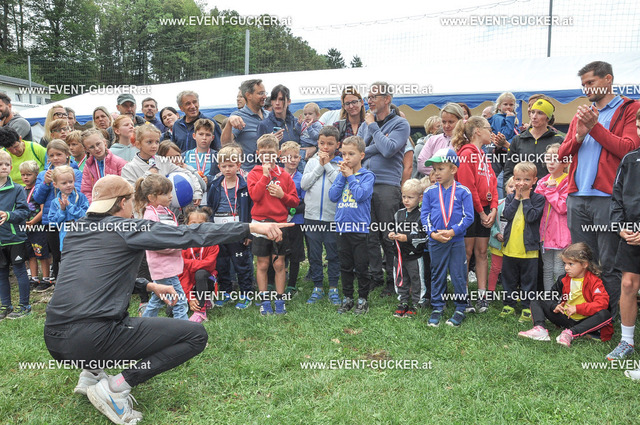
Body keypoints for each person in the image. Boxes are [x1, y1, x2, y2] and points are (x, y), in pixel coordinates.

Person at [43, 174, 289, 424]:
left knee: (101, 321)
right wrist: (250, 227)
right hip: (91, 337)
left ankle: (91, 374)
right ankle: (116, 388)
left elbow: (90, 277)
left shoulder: (77, 230)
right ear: (123, 203)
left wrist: (148, 285)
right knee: (195, 335)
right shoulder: (127, 228)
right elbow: (187, 233)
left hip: (55, 339)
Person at [558, 60, 640, 319]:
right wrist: (579, 135)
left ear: (608, 79)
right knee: (582, 262)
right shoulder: (583, 113)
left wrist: (595, 127)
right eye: (583, 84)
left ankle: (610, 318)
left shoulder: (630, 108)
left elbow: (629, 149)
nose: (587, 89)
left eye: (591, 82)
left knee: (608, 263)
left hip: (608, 199)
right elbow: (562, 155)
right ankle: (588, 315)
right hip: (577, 197)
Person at [357, 82, 410, 297]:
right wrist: (379, 142)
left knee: (389, 235)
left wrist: (374, 129)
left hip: (387, 185)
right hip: (364, 184)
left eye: (373, 97)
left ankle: (392, 279)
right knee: (369, 235)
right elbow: (358, 151)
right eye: (368, 97)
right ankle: (375, 276)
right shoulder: (365, 125)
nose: (369, 101)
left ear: (387, 99)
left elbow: (388, 150)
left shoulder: (400, 124)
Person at [519, 243, 613, 346]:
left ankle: (570, 333)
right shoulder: (563, 279)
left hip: (586, 321)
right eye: (565, 263)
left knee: (605, 314)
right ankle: (540, 329)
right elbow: (550, 297)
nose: (566, 268)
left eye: (571, 264)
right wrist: (554, 306)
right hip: (567, 318)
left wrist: (577, 308)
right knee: (537, 300)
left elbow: (602, 303)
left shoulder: (594, 281)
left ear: (584, 264)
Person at [247, 134, 298, 315]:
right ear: (258, 154)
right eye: (263, 153)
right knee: (262, 264)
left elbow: (295, 202)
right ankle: (264, 300)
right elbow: (255, 196)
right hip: (260, 225)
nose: (267, 156)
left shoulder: (284, 175)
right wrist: (264, 176)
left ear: (278, 154)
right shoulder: (254, 173)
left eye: (271, 152)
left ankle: (280, 300)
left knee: (279, 264)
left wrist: (282, 195)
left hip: (279, 225)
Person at [422, 148, 474, 326]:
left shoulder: (464, 192)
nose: (436, 173)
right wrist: (432, 233)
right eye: (434, 169)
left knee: (458, 274)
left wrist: (453, 232)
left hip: (456, 241)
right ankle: (437, 306)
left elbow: (469, 217)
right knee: (437, 273)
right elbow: (424, 216)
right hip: (436, 241)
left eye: (440, 169)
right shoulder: (429, 192)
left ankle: (461, 307)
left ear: (453, 169)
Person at [453, 116, 499, 312]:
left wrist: (493, 208)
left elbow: (493, 183)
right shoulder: (466, 154)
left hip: (485, 209)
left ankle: (482, 296)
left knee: (482, 252)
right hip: (469, 210)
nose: (491, 132)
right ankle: (463, 296)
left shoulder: (483, 155)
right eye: (489, 128)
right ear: (478, 131)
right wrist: (481, 212)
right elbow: (467, 187)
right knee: (467, 252)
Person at [606, 111, 640, 368]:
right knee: (628, 284)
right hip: (631, 233)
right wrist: (621, 228)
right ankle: (626, 341)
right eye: (639, 126)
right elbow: (617, 199)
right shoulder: (629, 159)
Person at [328, 135, 375, 314]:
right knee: (345, 266)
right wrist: (343, 176)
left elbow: (360, 195)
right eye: (344, 154)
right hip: (342, 228)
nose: (346, 158)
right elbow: (333, 196)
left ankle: (363, 299)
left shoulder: (367, 176)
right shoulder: (342, 176)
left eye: (351, 154)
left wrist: (350, 177)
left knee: (361, 267)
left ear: (362, 155)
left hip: (359, 229)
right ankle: (347, 297)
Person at [135, 174, 190, 320]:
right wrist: (178, 245)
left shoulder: (166, 211)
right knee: (179, 301)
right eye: (165, 193)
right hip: (163, 268)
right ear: (152, 197)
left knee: (158, 299)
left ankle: (143, 324)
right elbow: (154, 243)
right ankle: (185, 330)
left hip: (170, 265)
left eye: (170, 192)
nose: (171, 196)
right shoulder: (150, 216)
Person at [33, 139, 83, 291]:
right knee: (56, 254)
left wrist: (62, 181)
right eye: (51, 155)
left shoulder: (75, 173)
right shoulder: (43, 174)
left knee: (74, 253)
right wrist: (46, 183)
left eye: (59, 154)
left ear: (67, 155)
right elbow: (38, 198)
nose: (55, 158)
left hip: (71, 220)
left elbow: (77, 194)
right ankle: (59, 286)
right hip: (52, 221)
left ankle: (77, 284)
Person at [208, 145, 254, 310]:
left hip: (238, 230)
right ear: (219, 167)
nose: (227, 169)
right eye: (224, 166)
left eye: (231, 165)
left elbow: (250, 210)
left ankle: (246, 294)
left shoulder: (245, 185)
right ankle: (226, 292)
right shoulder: (215, 185)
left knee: (242, 263)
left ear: (238, 165)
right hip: (219, 230)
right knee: (222, 264)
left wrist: (248, 232)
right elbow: (210, 207)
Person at [498, 162, 545, 321]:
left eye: (526, 179)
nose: (521, 183)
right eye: (518, 179)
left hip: (529, 250)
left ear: (534, 180)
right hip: (510, 248)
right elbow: (507, 214)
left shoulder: (538, 199)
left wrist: (526, 199)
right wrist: (517, 198)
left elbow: (531, 217)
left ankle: (527, 306)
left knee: (528, 281)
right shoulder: (511, 197)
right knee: (509, 279)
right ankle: (509, 304)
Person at [301, 126, 342, 305]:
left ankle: (333, 286)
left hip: (332, 217)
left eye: (330, 144)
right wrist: (320, 166)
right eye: (322, 143)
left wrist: (327, 166)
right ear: (317, 143)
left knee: (333, 254)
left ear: (337, 145)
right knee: (315, 254)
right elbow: (304, 184)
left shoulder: (341, 164)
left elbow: (339, 185)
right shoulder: (311, 162)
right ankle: (317, 286)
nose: (325, 147)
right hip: (311, 217)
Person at [121, 126, 203, 207]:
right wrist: (148, 175)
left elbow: (187, 173)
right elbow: (132, 195)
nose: (154, 146)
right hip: (143, 212)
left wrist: (197, 192)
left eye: (157, 142)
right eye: (149, 142)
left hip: (164, 212)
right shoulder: (129, 168)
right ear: (138, 144)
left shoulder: (163, 162)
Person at [389, 178, 427, 317]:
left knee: (416, 279)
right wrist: (391, 234)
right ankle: (403, 301)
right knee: (400, 278)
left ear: (420, 198)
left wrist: (407, 238)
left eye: (410, 197)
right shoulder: (398, 213)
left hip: (414, 256)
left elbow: (425, 236)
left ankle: (418, 302)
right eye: (404, 196)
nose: (406, 200)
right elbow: (392, 227)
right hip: (399, 256)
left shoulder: (422, 215)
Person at [535, 143, 571, 291]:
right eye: (548, 158)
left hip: (562, 235)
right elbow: (536, 204)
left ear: (566, 162)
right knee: (547, 269)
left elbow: (562, 207)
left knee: (559, 269)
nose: (551, 162)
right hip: (545, 234)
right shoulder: (542, 181)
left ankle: (561, 298)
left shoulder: (569, 181)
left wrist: (550, 189)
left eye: (555, 159)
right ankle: (548, 299)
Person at [503, 97, 565, 183]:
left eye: (540, 113)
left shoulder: (558, 140)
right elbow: (508, 171)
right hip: (522, 190)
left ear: (548, 118)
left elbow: (564, 169)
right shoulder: (518, 139)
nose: (534, 116)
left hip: (549, 189)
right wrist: (510, 190)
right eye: (532, 112)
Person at [0, 150, 31, 319]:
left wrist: (8, 215)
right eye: (0, 164)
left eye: (7, 164)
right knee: (1, 274)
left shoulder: (18, 189)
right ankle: (6, 306)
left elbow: (25, 212)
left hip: (15, 238)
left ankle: (25, 305)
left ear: (11, 167)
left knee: (20, 272)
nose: (4, 167)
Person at [178, 206, 219, 323]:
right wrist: (189, 297)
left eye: (201, 223)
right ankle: (200, 299)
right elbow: (181, 270)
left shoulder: (212, 242)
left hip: (208, 279)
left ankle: (201, 311)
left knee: (200, 273)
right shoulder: (183, 243)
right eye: (193, 223)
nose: (197, 226)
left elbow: (209, 265)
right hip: (188, 281)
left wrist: (188, 264)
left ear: (207, 224)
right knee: (170, 311)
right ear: (187, 224)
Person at [222, 79, 268, 171]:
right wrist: (229, 124)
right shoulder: (238, 117)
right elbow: (225, 144)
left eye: (265, 93)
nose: (265, 96)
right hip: (249, 173)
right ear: (248, 95)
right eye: (260, 93)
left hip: (270, 172)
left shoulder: (270, 115)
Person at [19, 160, 51, 288]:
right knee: (30, 254)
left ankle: (46, 278)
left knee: (41, 253)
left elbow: (43, 211)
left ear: (36, 175)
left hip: (38, 227)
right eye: (23, 175)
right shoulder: (21, 190)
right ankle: (34, 278)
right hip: (25, 228)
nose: (25, 177)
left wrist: (32, 222)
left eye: (29, 174)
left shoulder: (38, 191)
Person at [280, 141, 306, 294]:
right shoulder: (276, 176)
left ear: (300, 158)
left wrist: (292, 211)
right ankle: (276, 280)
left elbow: (305, 202)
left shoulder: (302, 178)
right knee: (279, 252)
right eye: (289, 157)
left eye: (296, 157)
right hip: (278, 221)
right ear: (282, 158)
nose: (293, 160)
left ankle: (291, 285)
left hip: (296, 221)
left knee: (295, 253)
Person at [47, 165, 89, 251]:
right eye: (64, 183)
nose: (68, 185)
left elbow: (86, 216)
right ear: (55, 184)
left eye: (70, 181)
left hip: (82, 237)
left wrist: (70, 206)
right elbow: (52, 223)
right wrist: (62, 210)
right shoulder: (55, 202)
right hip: (66, 239)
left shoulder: (80, 197)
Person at [416, 103, 465, 176]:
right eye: (444, 122)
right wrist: (444, 174)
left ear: (460, 121)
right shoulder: (432, 140)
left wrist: (439, 171)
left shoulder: (467, 141)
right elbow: (421, 165)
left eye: (451, 122)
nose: (446, 125)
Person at [488, 177, 515, 306]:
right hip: (498, 244)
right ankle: (490, 292)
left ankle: (510, 293)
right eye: (510, 187)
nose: (513, 189)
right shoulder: (498, 205)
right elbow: (491, 223)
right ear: (505, 188)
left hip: (514, 245)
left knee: (511, 270)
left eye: (516, 187)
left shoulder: (523, 205)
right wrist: (496, 233)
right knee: (495, 268)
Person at [80, 128, 128, 202]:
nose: (96, 148)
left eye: (98, 144)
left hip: (117, 204)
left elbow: (125, 188)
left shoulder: (119, 163)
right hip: (96, 205)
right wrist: (94, 205)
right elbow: (86, 191)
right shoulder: (88, 166)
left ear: (104, 142)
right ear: (86, 149)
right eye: (91, 147)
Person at [183, 118, 220, 204]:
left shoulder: (218, 156)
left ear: (212, 138)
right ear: (194, 136)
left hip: (210, 200)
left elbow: (224, 175)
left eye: (208, 135)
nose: (204, 138)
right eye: (201, 134)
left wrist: (209, 179)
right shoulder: (184, 156)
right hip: (190, 198)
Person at [296, 102, 322, 169]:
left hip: (311, 145)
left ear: (317, 115)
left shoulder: (318, 125)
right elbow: (298, 132)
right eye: (305, 114)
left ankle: (303, 171)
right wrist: (298, 124)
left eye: (310, 114)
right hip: (301, 145)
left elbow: (316, 136)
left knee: (301, 158)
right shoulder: (304, 123)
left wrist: (309, 127)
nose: (307, 116)